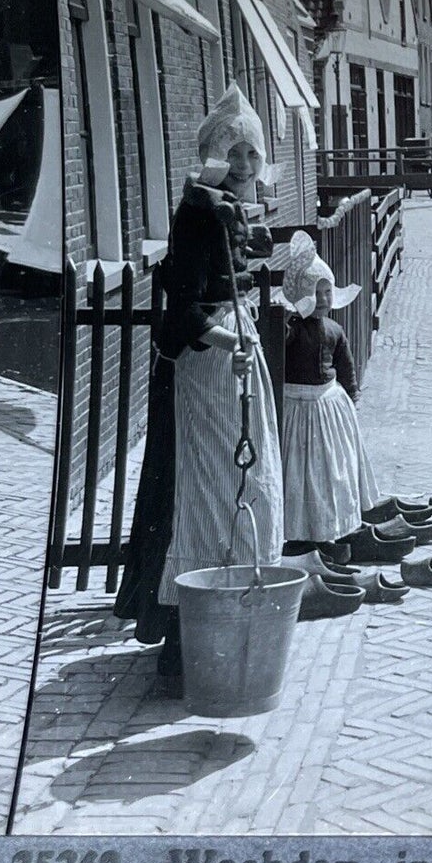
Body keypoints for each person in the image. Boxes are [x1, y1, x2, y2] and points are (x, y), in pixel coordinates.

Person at [115, 84, 283, 685]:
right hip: (208, 373)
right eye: (231, 153)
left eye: (251, 155)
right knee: (210, 498)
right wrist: (231, 342)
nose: (241, 165)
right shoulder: (197, 214)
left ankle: (233, 622)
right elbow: (181, 314)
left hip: (234, 367)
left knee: (245, 486)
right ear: (210, 156)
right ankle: (187, 646)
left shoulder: (234, 210)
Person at [277, 231, 379, 548]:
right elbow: (275, 351)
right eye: (316, 293)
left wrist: (351, 396)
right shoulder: (291, 330)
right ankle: (299, 530)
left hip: (329, 406)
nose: (323, 299)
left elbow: (345, 366)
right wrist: (285, 321)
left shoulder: (335, 330)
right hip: (298, 406)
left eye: (327, 292)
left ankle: (334, 525)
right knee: (300, 471)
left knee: (334, 467)